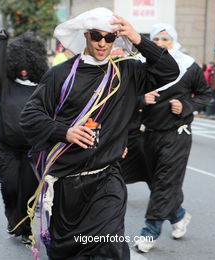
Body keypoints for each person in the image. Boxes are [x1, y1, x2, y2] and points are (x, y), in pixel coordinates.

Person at [19, 8, 179, 260]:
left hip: (107, 180)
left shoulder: (128, 72)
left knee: (109, 248)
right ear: (86, 36)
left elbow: (169, 70)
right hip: (67, 183)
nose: (103, 43)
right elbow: (29, 117)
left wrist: (138, 39)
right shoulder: (60, 74)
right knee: (68, 252)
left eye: (110, 37)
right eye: (96, 36)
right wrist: (65, 132)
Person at [126, 23, 211, 253]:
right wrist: (142, 100)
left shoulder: (188, 65)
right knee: (155, 181)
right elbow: (125, 98)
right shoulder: (141, 66)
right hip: (146, 133)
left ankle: (149, 232)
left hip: (176, 135)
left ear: (174, 41)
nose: (161, 44)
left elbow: (205, 94)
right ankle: (179, 215)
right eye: (157, 40)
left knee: (164, 183)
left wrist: (185, 105)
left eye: (166, 39)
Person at [0, 30, 49, 244]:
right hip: (7, 149)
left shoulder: (45, 87)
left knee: (30, 192)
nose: (23, 70)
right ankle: (13, 219)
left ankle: (24, 228)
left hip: (34, 151)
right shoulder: (6, 84)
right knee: (11, 187)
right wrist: (2, 42)